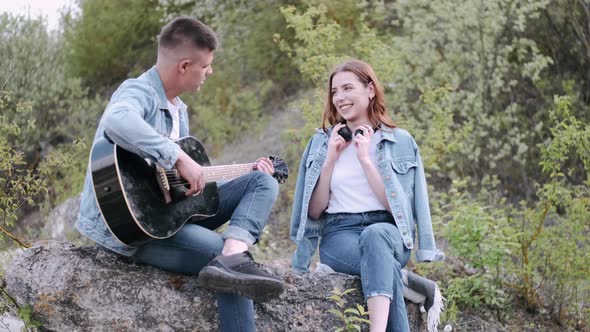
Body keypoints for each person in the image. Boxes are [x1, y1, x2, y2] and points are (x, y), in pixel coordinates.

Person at [76, 16, 284, 332]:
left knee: (262, 180)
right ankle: (229, 259)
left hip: (169, 216)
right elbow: (116, 121)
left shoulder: (179, 110)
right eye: (206, 66)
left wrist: (223, 172)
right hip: (136, 229)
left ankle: (234, 249)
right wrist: (177, 156)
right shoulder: (138, 92)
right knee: (226, 263)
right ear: (184, 66)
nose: (210, 72)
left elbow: (179, 186)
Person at [290, 59, 445, 332]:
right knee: (385, 270)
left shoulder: (401, 141)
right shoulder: (320, 143)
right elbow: (314, 211)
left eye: (348, 88)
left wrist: (365, 159)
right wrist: (329, 161)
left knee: (377, 239)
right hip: (339, 234)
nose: (340, 98)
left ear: (370, 90)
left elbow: (400, 208)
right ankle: (399, 283)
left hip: (389, 232)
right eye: (335, 92)